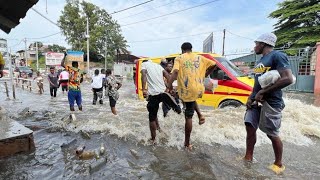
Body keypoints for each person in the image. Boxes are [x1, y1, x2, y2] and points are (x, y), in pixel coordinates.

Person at [243, 33, 293, 174]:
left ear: (263, 44)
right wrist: (251, 96)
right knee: (250, 127)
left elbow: (287, 79)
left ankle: (278, 164)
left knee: (272, 133)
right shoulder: (261, 60)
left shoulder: (277, 56)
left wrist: (263, 93)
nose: (255, 46)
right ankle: (248, 157)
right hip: (255, 101)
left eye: (256, 43)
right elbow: (257, 83)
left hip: (271, 102)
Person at [167, 42, 216, 150]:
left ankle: (187, 143)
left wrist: (169, 85)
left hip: (187, 88)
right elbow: (214, 64)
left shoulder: (179, 58)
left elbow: (175, 72)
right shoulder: (200, 57)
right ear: (191, 49)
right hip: (198, 87)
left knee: (188, 116)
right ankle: (200, 115)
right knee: (190, 100)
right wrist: (204, 74)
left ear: (182, 50)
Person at [141, 60, 182, 144]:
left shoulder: (144, 64)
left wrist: (144, 89)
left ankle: (153, 139)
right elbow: (167, 76)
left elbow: (144, 75)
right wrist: (170, 88)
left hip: (153, 94)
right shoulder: (158, 66)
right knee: (153, 110)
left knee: (151, 116)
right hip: (162, 91)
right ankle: (159, 128)